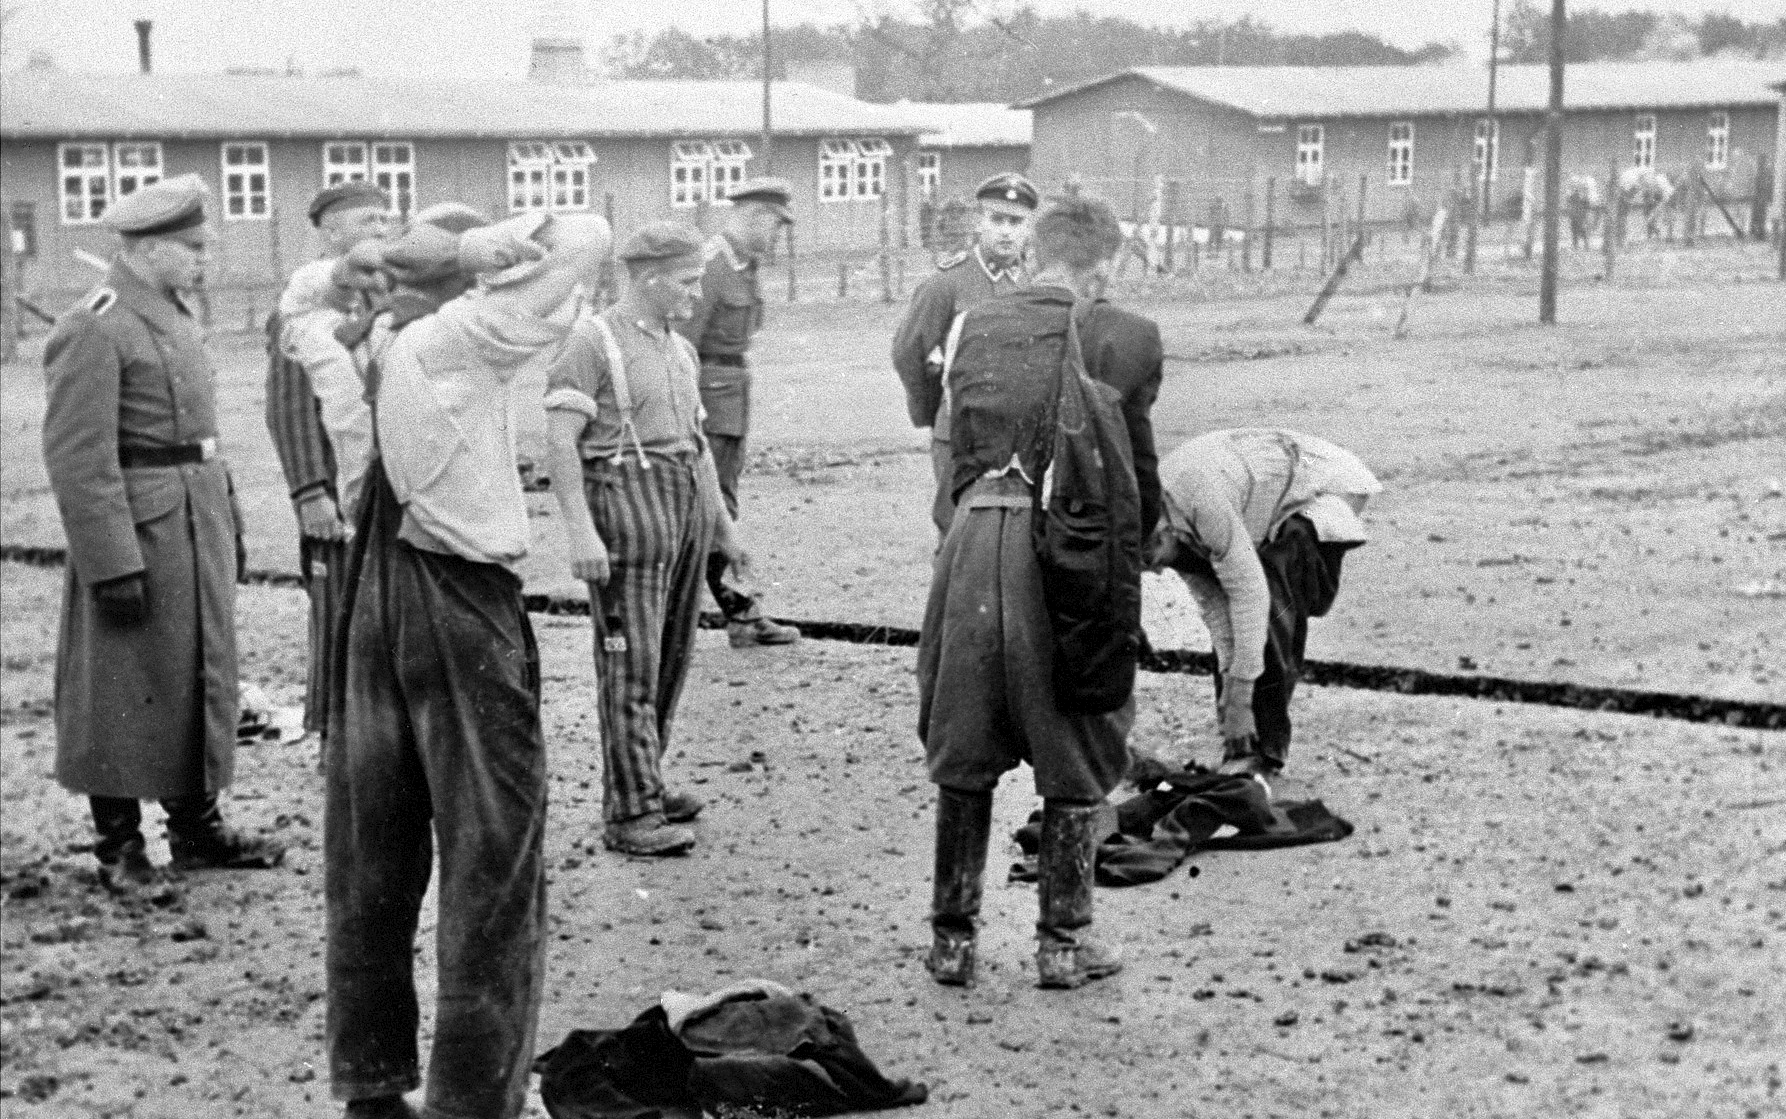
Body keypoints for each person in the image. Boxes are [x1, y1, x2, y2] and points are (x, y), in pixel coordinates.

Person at [323, 211, 604, 1119]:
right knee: (496, 853)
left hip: (380, 584)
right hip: (458, 598)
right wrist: (484, 243)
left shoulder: (400, 335)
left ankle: (370, 1083)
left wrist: (453, 251)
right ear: (461, 275)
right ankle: (472, 1100)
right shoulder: (457, 335)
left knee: (374, 846)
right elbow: (589, 236)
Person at [917, 193, 1163, 991]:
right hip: (1065, 544)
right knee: (1077, 728)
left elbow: (951, 449)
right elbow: (1138, 469)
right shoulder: (1119, 334)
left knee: (966, 726)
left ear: (1033, 252)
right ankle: (1064, 942)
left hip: (971, 538)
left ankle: (952, 940)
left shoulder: (975, 323)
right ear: (1102, 265)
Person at [41, 175, 285, 891]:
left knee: (198, 672)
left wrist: (227, 522)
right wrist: (111, 561)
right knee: (117, 684)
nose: (206, 257)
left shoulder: (174, 315)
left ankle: (196, 828)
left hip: (192, 520)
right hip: (137, 532)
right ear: (149, 249)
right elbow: (79, 458)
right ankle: (119, 844)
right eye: (193, 246)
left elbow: (202, 438)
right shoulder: (97, 323)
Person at [542, 223, 754, 857]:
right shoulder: (591, 339)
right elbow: (558, 442)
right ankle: (631, 813)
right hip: (626, 502)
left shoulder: (678, 348)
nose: (696, 293)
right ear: (649, 278)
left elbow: (698, 446)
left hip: (682, 498)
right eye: (686, 282)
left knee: (670, 655)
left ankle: (647, 781)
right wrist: (581, 530)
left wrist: (724, 529)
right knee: (629, 662)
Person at [1148, 429, 1382, 778]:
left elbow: (1249, 595)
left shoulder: (1196, 498)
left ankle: (1264, 749)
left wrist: (1240, 697)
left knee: (1269, 593)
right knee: (1240, 618)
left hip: (1320, 488)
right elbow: (1217, 609)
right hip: (1262, 500)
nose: (1151, 570)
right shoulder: (1166, 526)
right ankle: (1241, 743)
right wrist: (1230, 690)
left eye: (1147, 556)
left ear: (1163, 532)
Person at [265, 181, 390, 745]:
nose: (381, 233)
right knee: (339, 605)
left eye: (385, 222)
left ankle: (381, 734)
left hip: (384, 483)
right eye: (368, 223)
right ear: (331, 234)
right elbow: (288, 409)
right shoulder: (301, 307)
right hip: (332, 495)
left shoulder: (381, 301)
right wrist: (309, 492)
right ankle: (336, 736)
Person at [674, 177, 800, 648]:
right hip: (707, 400)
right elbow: (681, 347)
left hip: (731, 396)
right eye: (773, 225)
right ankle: (740, 613)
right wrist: (688, 413)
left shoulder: (744, 267)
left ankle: (735, 612)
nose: (778, 236)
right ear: (751, 217)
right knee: (711, 508)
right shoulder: (711, 267)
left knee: (716, 507)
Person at [891, 172, 1038, 535]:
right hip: (959, 432)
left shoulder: (1032, 286)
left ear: (1028, 229)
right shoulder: (948, 283)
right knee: (956, 533)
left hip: (1016, 436)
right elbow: (909, 351)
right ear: (979, 221)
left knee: (1011, 535)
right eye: (997, 219)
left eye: (1016, 222)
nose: (1006, 231)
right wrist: (934, 409)